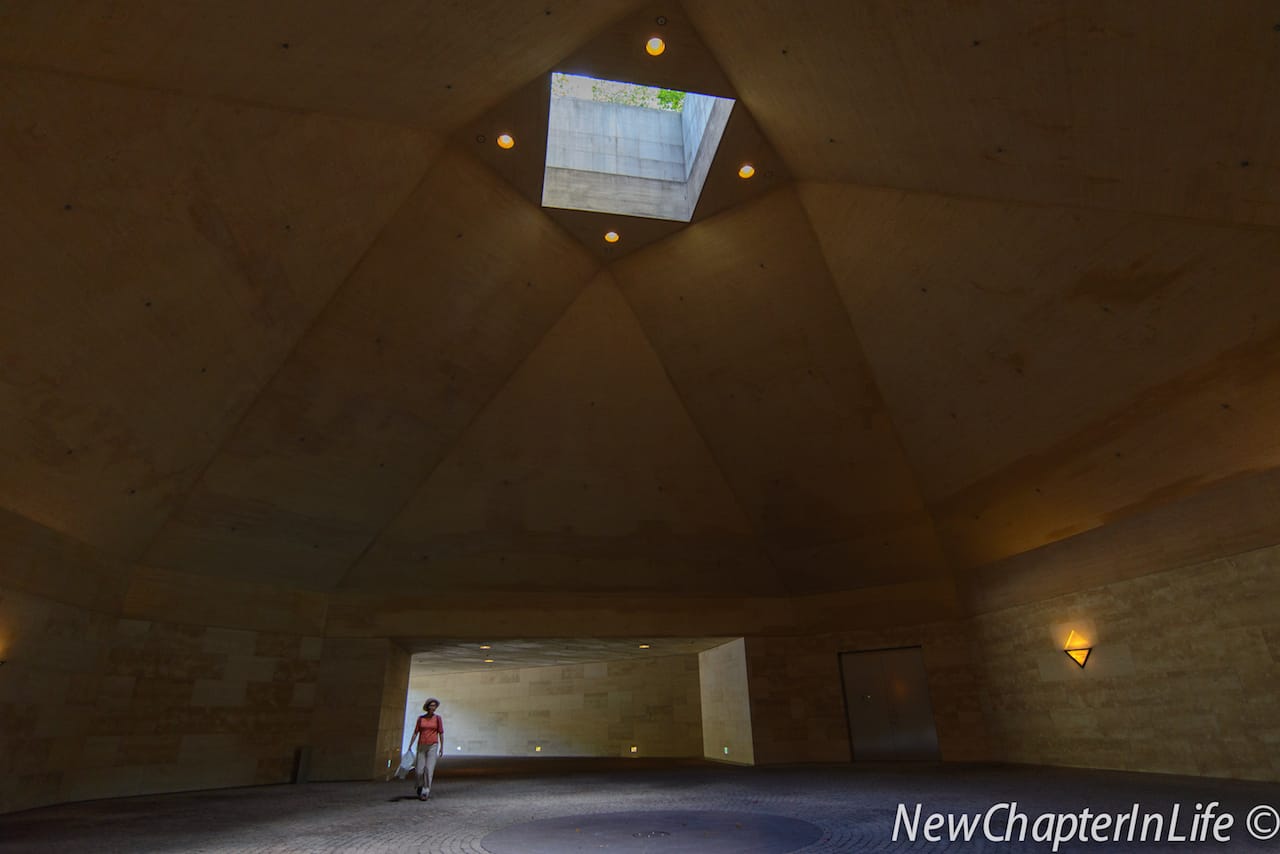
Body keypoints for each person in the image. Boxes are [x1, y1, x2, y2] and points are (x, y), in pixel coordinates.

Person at [408, 698, 445, 800]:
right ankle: (419, 785)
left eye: (434, 706)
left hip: (433, 745)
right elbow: (416, 732)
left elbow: (441, 733)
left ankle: (426, 790)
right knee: (419, 770)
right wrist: (410, 745)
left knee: (429, 769)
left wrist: (441, 747)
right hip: (421, 745)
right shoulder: (421, 719)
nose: (433, 707)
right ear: (427, 706)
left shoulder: (438, 719)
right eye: (431, 705)